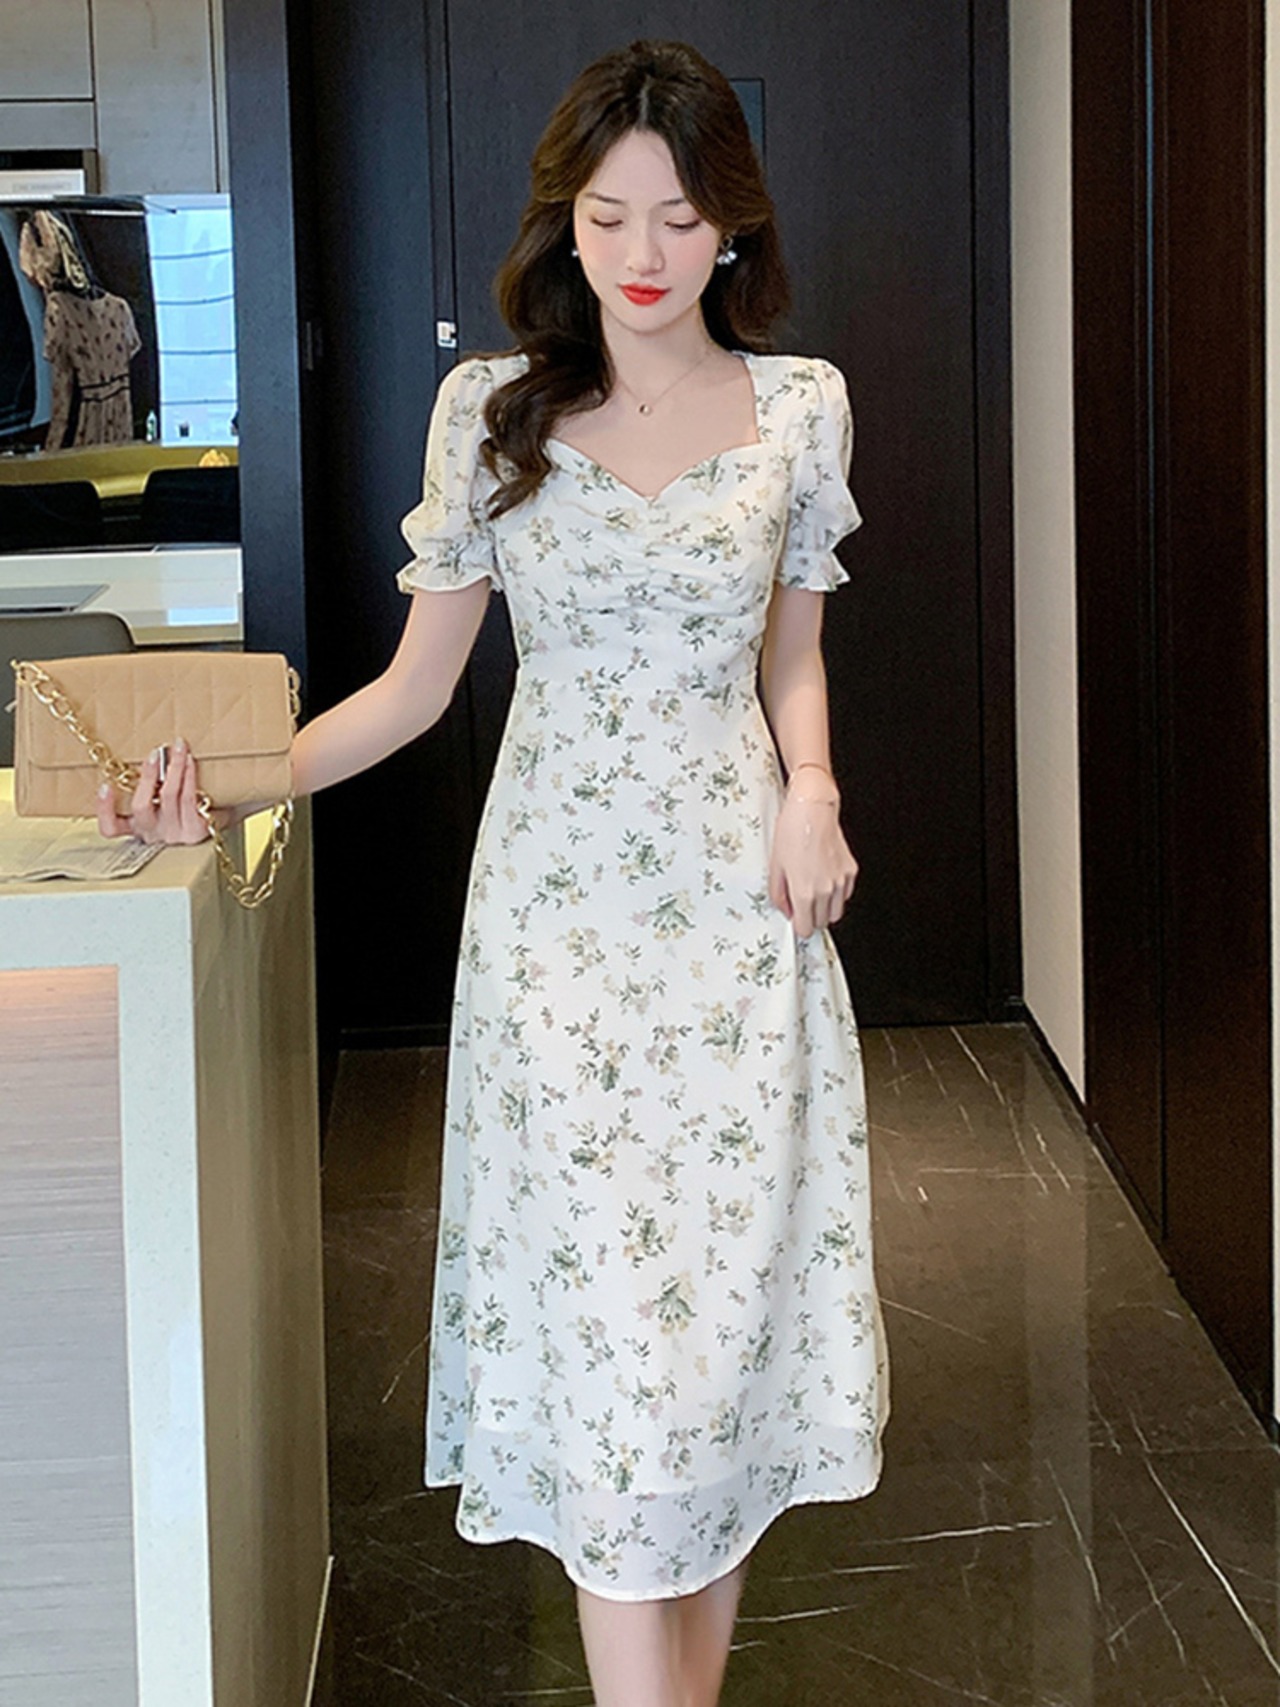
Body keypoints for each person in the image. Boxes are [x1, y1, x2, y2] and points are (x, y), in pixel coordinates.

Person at [96, 38, 891, 1707]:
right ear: (564, 221)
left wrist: (813, 790)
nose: (643, 254)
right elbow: (410, 692)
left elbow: (794, 655)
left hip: (740, 924)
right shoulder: (492, 413)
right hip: (557, 942)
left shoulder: (801, 406)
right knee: (614, 1356)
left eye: (680, 219)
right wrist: (221, 794)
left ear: (733, 228)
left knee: (715, 1345)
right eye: (608, 217)